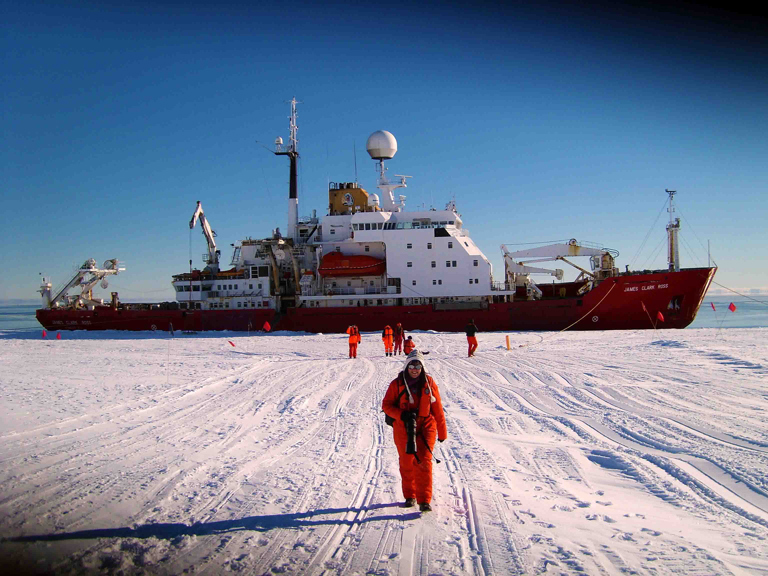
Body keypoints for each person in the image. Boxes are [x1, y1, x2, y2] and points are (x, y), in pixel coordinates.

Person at [381, 350, 447, 512]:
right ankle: (410, 496)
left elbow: (437, 408)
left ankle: (424, 499)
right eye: (411, 365)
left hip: (426, 425)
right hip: (403, 426)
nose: (414, 369)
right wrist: (401, 414)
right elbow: (386, 405)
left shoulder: (429, 383)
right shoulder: (396, 384)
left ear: (422, 367)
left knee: (424, 460)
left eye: (418, 365)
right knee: (407, 461)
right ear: (406, 366)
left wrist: (442, 431)